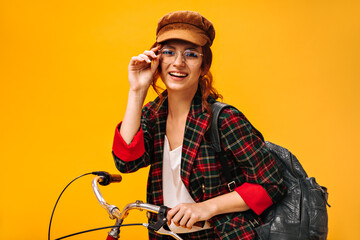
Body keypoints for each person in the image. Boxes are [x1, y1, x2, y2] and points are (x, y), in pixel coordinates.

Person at [112, 10, 286, 240]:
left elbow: (271, 183)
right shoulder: (153, 116)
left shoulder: (223, 120)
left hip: (219, 235)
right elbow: (126, 162)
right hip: (165, 236)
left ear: (204, 65)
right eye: (169, 52)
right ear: (156, 59)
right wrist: (137, 90)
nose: (178, 62)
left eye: (191, 54)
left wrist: (206, 207)